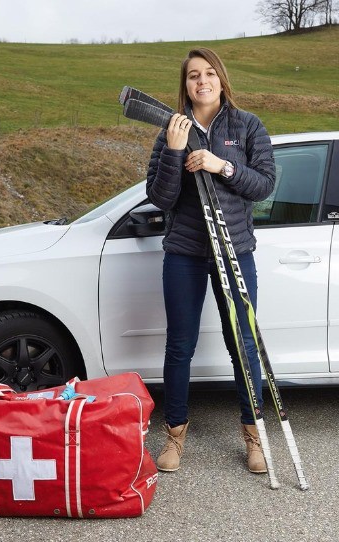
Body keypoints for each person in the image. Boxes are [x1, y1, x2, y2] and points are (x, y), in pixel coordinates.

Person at [145, 48, 276, 474]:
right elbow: (160, 197)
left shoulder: (247, 125)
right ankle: (174, 436)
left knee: (243, 344)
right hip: (184, 253)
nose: (202, 81)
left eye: (209, 73)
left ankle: (253, 436)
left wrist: (223, 167)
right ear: (184, 85)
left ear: (221, 79)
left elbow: (265, 186)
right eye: (193, 76)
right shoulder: (172, 129)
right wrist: (173, 150)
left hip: (234, 251)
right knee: (180, 344)